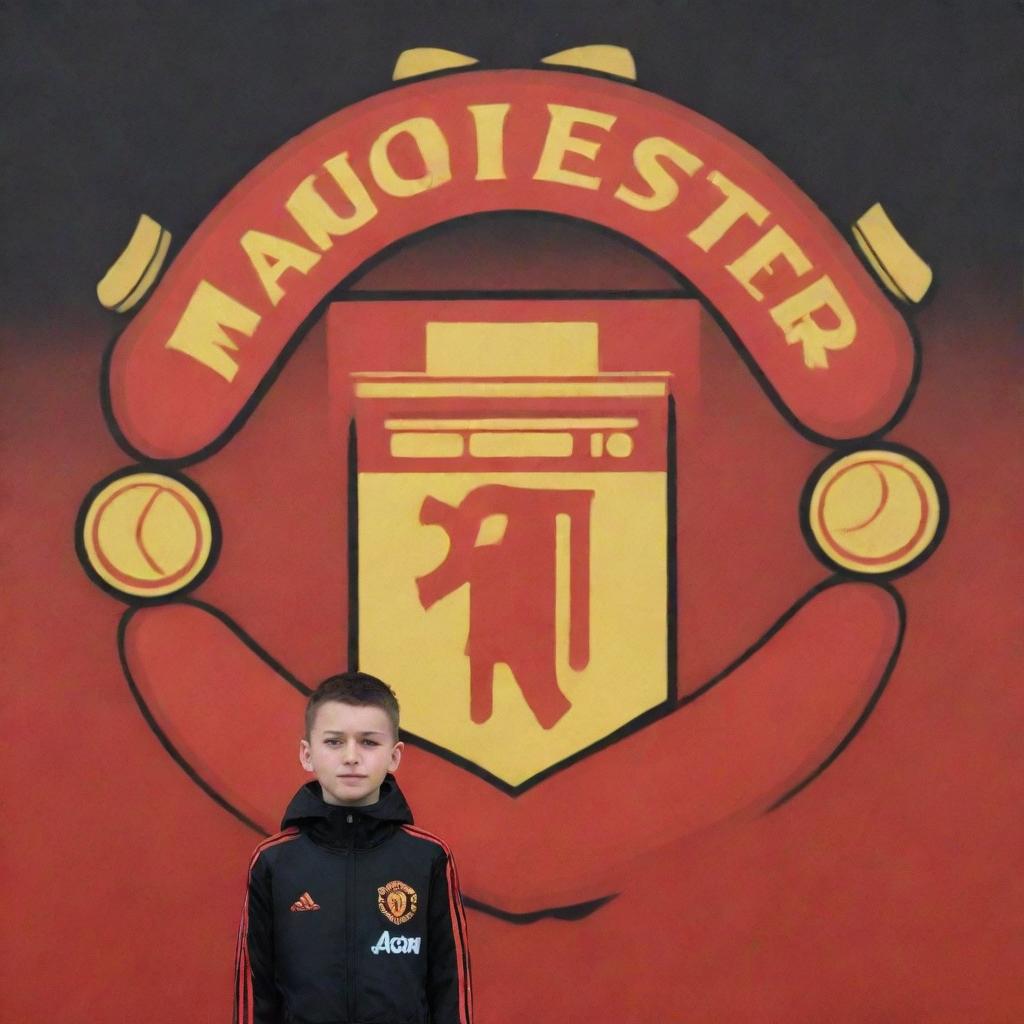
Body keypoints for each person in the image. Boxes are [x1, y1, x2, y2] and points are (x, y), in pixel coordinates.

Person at [233, 671, 473, 1024]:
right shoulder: (274, 861)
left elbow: (450, 985)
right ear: (307, 754)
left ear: (394, 756)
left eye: (368, 742)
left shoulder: (428, 858)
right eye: (333, 742)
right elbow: (256, 990)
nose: (351, 756)